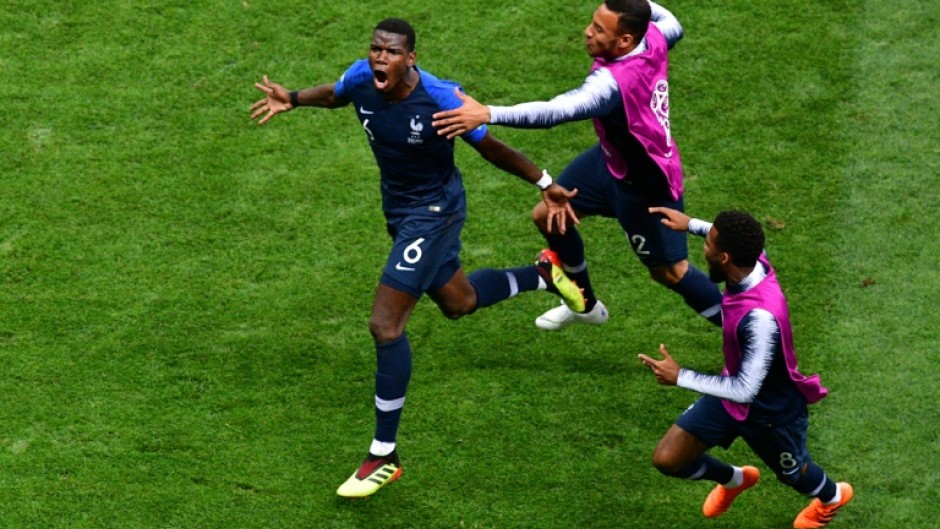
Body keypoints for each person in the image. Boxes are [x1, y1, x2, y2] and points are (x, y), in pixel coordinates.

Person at [250, 18, 586, 498]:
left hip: (434, 214)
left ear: (411, 58)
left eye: (391, 52)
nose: (380, 58)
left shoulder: (440, 99)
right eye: (375, 49)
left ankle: (383, 454)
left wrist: (545, 184)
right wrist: (296, 97)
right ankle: (543, 274)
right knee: (459, 302)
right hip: (401, 211)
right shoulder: (362, 78)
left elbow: (490, 147)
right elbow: (337, 93)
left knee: (385, 325)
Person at [431, 1, 722, 331]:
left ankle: (743, 331)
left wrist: (487, 113)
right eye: (593, 23)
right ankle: (584, 303)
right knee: (550, 216)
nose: (587, 32)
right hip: (610, 161)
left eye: (599, 29)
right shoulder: (654, 35)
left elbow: (557, 112)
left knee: (670, 272)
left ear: (625, 40)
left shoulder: (611, 84)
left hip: (645, 186)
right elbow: (672, 21)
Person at [637, 207, 853, 528]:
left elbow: (746, 389)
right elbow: (727, 234)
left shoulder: (760, 318)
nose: (704, 249)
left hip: (771, 415)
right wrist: (690, 225)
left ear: (723, 258)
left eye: (708, 245)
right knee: (668, 459)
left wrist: (680, 376)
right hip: (730, 401)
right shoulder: (752, 259)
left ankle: (833, 497)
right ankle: (735, 480)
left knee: (796, 476)